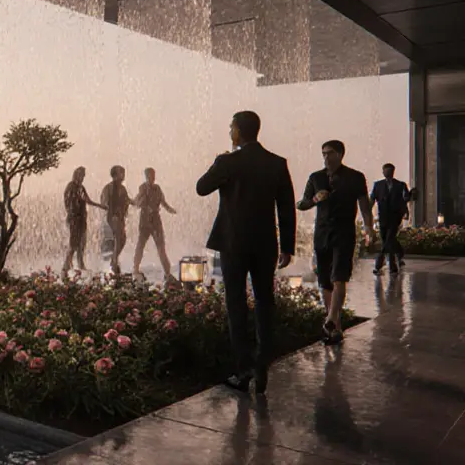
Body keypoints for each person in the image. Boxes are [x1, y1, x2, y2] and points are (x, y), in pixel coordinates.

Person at [196, 111, 295, 394]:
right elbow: (286, 207)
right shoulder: (276, 163)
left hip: (233, 243)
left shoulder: (227, 162)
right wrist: (287, 247)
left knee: (236, 303)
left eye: (231, 127)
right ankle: (262, 365)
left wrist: (218, 162)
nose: (230, 132)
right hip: (265, 244)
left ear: (239, 130)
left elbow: (202, 188)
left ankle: (243, 370)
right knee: (265, 302)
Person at [298, 140, 375, 345]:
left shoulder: (355, 177)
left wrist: (368, 227)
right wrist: (315, 199)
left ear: (340, 154)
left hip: (344, 232)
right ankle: (335, 327)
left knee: (339, 276)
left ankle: (331, 319)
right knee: (324, 279)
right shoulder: (316, 177)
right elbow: (301, 204)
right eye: (323, 153)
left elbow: (365, 206)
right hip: (322, 233)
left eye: (330, 153)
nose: (326, 157)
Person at [133, 168, 177, 280]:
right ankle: (135, 269)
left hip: (155, 220)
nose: (152, 178)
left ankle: (167, 273)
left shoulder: (157, 188)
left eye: (153, 175)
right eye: (150, 175)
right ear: (146, 176)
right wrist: (140, 200)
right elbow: (137, 202)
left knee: (161, 247)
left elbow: (163, 202)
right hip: (145, 220)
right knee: (141, 245)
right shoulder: (143, 188)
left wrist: (170, 209)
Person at [370, 163, 413, 275]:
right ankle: (399, 253)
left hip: (395, 217)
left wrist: (410, 196)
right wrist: (368, 213)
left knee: (388, 240)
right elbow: (372, 199)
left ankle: (381, 265)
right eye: (385, 171)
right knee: (388, 240)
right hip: (383, 217)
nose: (387, 173)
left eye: (389, 171)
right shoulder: (378, 185)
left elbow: (405, 199)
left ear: (393, 172)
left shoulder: (400, 185)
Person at [63, 166, 107, 275]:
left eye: (83, 176)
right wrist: (101, 206)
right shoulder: (72, 187)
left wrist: (100, 206)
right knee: (74, 243)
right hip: (74, 219)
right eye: (81, 176)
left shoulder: (80, 187)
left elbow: (87, 200)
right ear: (76, 175)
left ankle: (80, 264)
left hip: (81, 218)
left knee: (82, 243)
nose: (83, 178)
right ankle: (66, 266)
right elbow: (85, 200)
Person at [100, 166, 133, 275]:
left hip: (120, 217)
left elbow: (127, 200)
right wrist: (111, 210)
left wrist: (136, 202)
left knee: (122, 239)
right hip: (112, 217)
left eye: (123, 173)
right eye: (121, 173)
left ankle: (114, 260)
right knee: (119, 238)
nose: (123, 175)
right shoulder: (109, 188)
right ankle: (114, 262)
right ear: (114, 175)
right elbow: (104, 201)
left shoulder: (122, 188)